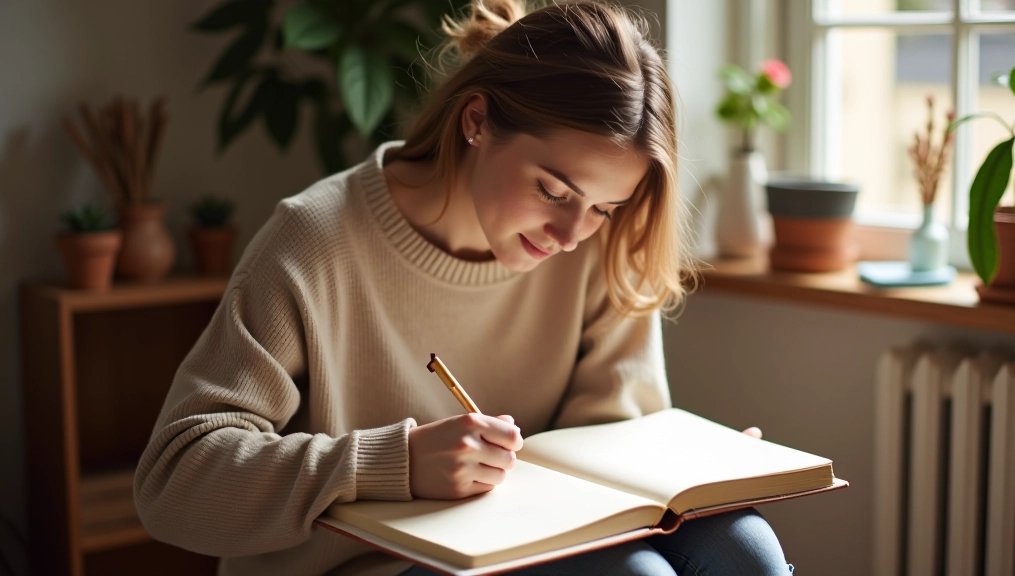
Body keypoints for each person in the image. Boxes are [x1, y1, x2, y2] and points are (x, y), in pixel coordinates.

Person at [134, 1, 794, 574]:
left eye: (603, 207)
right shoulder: (313, 242)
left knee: (744, 550)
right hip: (373, 568)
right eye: (553, 191)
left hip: (535, 546)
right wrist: (393, 463)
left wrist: (689, 472)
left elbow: (609, 445)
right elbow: (173, 483)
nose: (572, 233)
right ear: (476, 120)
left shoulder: (600, 246)